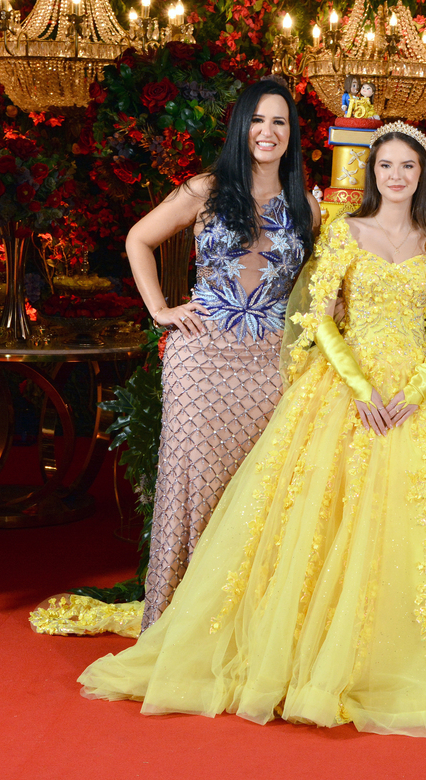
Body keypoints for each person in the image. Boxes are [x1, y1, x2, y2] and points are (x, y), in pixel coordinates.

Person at [78, 122, 426, 736]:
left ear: (422, 176)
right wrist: (361, 388)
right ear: (373, 173)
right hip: (349, 387)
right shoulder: (345, 231)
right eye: (386, 166)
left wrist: (416, 389)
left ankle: (415, 657)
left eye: (408, 167)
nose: (396, 176)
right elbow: (321, 319)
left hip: (422, 389)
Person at [126, 79, 319, 631]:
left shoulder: (307, 206)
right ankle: (175, 625)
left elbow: (315, 290)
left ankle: (238, 629)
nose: (267, 131)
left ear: (291, 134)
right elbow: (139, 239)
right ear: (241, 126)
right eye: (258, 120)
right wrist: (159, 308)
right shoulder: (204, 189)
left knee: (254, 493)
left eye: (279, 121)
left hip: (270, 367)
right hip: (201, 361)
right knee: (193, 486)